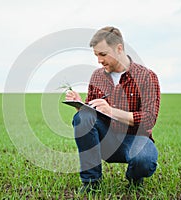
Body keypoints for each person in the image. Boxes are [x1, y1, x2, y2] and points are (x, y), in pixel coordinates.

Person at [65, 26, 160, 193]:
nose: (99, 60)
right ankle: (91, 183)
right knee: (83, 117)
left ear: (119, 49)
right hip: (106, 140)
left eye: (103, 54)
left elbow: (149, 119)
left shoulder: (146, 76)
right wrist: (82, 106)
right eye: (96, 56)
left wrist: (111, 111)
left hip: (134, 139)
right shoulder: (97, 76)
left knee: (144, 159)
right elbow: (90, 120)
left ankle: (134, 179)